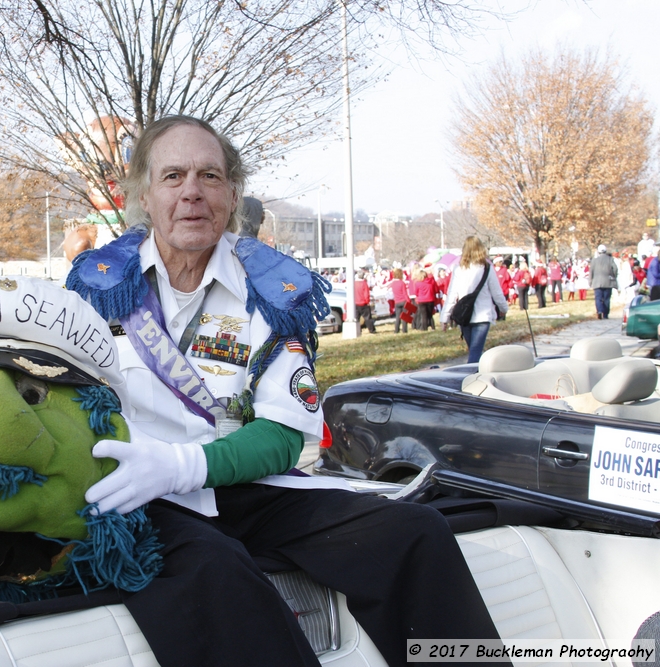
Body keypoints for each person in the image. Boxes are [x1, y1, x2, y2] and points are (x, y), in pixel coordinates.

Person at [65, 115, 507, 667]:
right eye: (173, 176)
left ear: (231, 194)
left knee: (415, 533)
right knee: (217, 574)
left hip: (238, 485)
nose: (192, 192)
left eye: (210, 176)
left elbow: (280, 435)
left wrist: (183, 466)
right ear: (145, 196)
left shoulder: (273, 289)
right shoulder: (98, 285)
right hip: (139, 498)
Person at [440, 237, 509, 363]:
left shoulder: (459, 269)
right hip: (482, 315)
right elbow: (497, 292)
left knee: (474, 350)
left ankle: (474, 374)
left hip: (464, 315)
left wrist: (445, 317)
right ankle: (472, 375)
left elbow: (451, 295)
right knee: (475, 351)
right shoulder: (487, 268)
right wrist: (503, 308)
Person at [590, 244, 619, 319]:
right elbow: (615, 269)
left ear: (598, 252)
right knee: (607, 298)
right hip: (608, 282)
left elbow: (591, 272)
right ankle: (605, 314)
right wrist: (613, 276)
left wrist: (590, 281)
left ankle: (599, 310)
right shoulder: (610, 259)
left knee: (598, 298)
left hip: (597, 282)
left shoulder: (594, 261)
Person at [387, 267, 410, 333]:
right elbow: (405, 293)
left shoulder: (393, 283)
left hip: (397, 301)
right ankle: (404, 330)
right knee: (404, 317)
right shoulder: (402, 283)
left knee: (397, 317)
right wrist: (408, 301)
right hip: (403, 301)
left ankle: (396, 330)